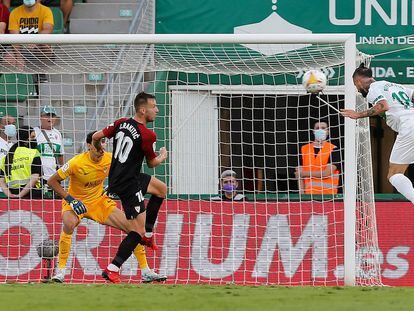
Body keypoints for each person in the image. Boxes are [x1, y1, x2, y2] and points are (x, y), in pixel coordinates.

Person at [48, 131, 166, 283]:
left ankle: (145, 271)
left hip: (99, 202)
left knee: (134, 228)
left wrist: (112, 189)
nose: (100, 146)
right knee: (69, 223)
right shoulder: (76, 163)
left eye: (103, 142)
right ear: (89, 145)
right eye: (97, 143)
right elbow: (52, 181)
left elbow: (124, 175)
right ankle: (61, 271)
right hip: (76, 202)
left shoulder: (110, 159)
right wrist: (71, 200)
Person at [92, 92, 168, 283]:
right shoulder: (147, 135)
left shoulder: (120, 122)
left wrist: (98, 147)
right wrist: (162, 156)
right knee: (136, 231)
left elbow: (96, 136)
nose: (157, 110)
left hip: (126, 176)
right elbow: (152, 163)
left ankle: (149, 235)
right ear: (143, 110)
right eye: (153, 107)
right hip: (127, 183)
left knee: (161, 189)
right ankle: (113, 267)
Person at [341, 63, 414, 203]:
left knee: (394, 174)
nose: (357, 89)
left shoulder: (373, 90)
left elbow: (383, 106)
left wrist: (358, 114)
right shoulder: (391, 84)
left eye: (355, 86)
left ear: (358, 81)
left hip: (408, 126)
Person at [5, 0, 54, 69]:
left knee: (45, 46)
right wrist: (18, 57)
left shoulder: (46, 10)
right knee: (8, 58)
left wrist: (35, 40)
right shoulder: (14, 12)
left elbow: (48, 29)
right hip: (21, 46)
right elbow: (14, 37)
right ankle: (18, 76)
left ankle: (41, 72)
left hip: (38, 45)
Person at [295, 121, 340, 195]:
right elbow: (299, 176)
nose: (320, 130)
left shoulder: (333, 149)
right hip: (308, 195)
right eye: (317, 128)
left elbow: (327, 173)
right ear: (313, 131)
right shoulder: (304, 149)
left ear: (327, 131)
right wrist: (302, 195)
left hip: (329, 195)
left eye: (323, 128)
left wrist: (303, 173)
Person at [0, 126, 42, 199]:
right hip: (32, 194)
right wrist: (20, 195)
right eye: (32, 137)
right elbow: (34, 178)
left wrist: (9, 195)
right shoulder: (34, 153)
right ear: (25, 139)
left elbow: (1, 181)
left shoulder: (7, 157)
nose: (35, 139)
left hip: (12, 193)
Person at [33, 106, 64, 185]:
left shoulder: (58, 133)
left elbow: (60, 154)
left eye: (52, 116)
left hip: (53, 176)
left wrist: (62, 170)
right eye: (47, 116)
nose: (50, 119)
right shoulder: (34, 131)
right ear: (41, 117)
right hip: (38, 175)